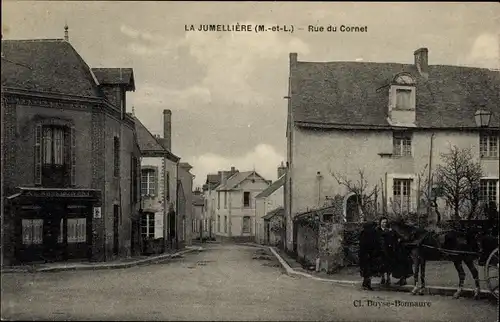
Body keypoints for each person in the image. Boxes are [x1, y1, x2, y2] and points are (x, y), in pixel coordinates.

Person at [358, 221, 379, 290]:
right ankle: (367, 284)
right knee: (368, 270)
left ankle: (365, 284)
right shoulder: (369, 233)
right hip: (367, 254)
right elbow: (364, 245)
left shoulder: (365, 233)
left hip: (368, 254)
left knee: (367, 270)